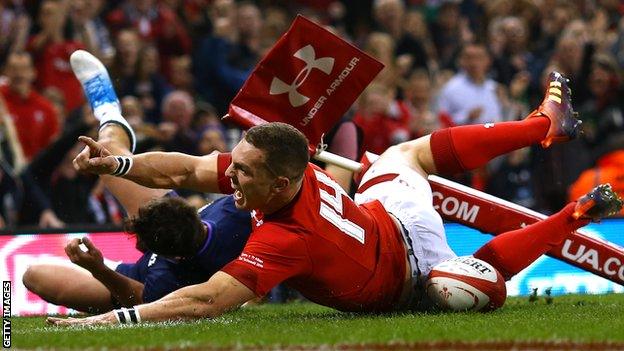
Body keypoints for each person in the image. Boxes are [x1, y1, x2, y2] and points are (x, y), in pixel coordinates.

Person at [47, 50, 621, 326]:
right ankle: (545, 132)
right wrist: (122, 167)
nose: (231, 177)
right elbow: (183, 170)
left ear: (282, 180)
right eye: (236, 166)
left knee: (455, 286)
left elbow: (203, 300)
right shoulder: (271, 175)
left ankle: (569, 204)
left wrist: (100, 323)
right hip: (389, 216)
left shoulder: (284, 237)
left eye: (243, 172)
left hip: (410, 269)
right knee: (408, 154)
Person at [23, 51, 252, 313]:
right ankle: (108, 110)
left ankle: (109, 113)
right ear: (189, 210)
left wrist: (97, 268)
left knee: (34, 275)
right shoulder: (235, 214)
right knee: (106, 151)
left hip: (130, 277)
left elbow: (139, 303)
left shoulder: (165, 282)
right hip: (174, 232)